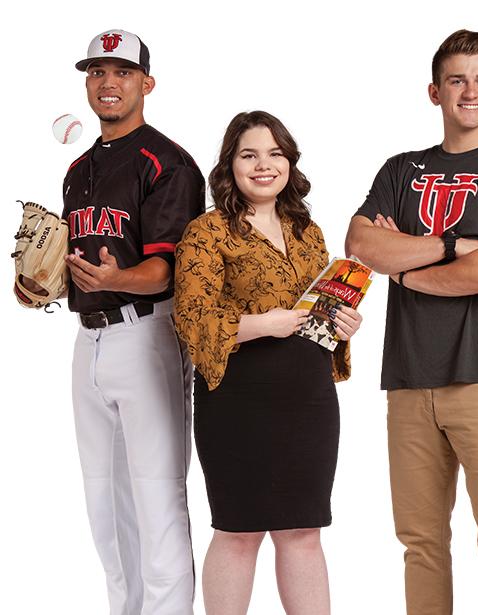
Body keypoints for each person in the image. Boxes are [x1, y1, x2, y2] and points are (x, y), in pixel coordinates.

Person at [345, 30, 478, 615]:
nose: (470, 91)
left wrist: (405, 263)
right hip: (409, 376)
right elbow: (360, 243)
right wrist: (457, 245)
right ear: (435, 92)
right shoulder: (400, 168)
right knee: (421, 544)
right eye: (457, 79)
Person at [173, 110, 363, 615]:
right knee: (239, 530)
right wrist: (263, 323)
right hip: (238, 399)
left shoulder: (307, 230)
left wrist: (343, 326)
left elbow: (318, 316)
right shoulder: (207, 232)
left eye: (275, 154)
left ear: (289, 163)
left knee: (304, 530)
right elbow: (191, 321)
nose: (263, 165)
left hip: (308, 397)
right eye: (249, 154)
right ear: (230, 165)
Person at [61, 29, 205, 615]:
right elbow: (74, 255)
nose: (108, 82)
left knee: (156, 494)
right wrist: (44, 281)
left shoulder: (168, 163)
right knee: (104, 500)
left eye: (121, 72)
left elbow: (168, 269)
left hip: (148, 332)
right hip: (87, 338)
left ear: (146, 84)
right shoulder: (76, 167)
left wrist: (115, 279)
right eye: (97, 72)